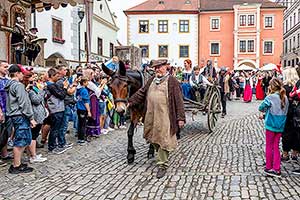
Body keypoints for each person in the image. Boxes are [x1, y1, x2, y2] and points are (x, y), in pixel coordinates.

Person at [128, 59, 185, 179]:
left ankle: (162, 165)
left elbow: (179, 101)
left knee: (163, 138)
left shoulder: (172, 81)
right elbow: (142, 93)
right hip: (151, 114)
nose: (157, 69)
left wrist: (180, 118)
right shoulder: (151, 80)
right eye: (155, 68)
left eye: (160, 67)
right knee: (153, 137)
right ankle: (161, 154)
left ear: (166, 67)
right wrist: (130, 101)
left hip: (166, 115)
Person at [5, 64, 37, 174]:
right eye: (22, 73)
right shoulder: (18, 85)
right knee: (21, 140)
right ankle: (16, 165)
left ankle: (17, 163)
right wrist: (31, 117)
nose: (23, 75)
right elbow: (24, 103)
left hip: (15, 115)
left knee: (22, 138)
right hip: (20, 115)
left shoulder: (9, 84)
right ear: (17, 73)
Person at [258, 78, 288, 177]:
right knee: (276, 146)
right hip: (280, 125)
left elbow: (261, 107)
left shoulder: (270, 97)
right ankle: (277, 168)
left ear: (271, 86)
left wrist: (264, 113)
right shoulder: (285, 97)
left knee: (269, 146)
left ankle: (269, 167)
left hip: (271, 124)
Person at [24, 72, 47, 163]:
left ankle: (31, 154)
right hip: (35, 114)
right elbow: (36, 100)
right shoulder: (29, 90)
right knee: (33, 136)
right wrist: (42, 90)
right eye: (33, 78)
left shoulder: (32, 88)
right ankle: (33, 156)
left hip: (37, 113)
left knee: (34, 135)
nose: (35, 80)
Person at [45, 68, 68, 154]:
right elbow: (61, 95)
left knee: (57, 128)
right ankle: (52, 146)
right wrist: (65, 88)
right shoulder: (51, 86)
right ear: (52, 76)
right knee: (54, 129)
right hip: (55, 109)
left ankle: (56, 145)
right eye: (57, 76)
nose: (58, 78)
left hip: (59, 108)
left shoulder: (53, 85)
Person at [281, 67, 299, 162]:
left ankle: (285, 154)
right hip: (297, 113)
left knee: (286, 133)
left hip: (287, 113)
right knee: (296, 133)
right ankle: (295, 153)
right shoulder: (297, 86)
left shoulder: (284, 88)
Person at [76, 77, 91, 145]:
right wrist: (89, 111)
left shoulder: (78, 89)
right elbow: (86, 102)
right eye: (87, 82)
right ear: (84, 83)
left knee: (80, 124)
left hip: (79, 108)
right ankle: (81, 139)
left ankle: (80, 138)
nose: (88, 83)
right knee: (83, 125)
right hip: (83, 109)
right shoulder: (84, 90)